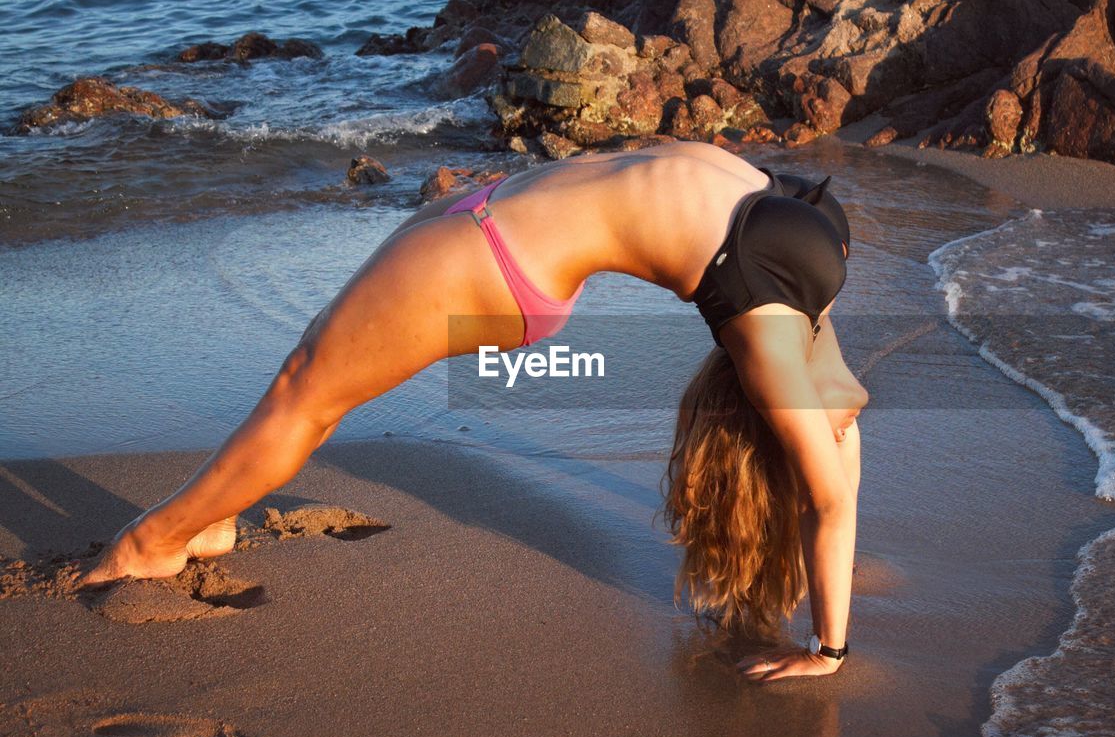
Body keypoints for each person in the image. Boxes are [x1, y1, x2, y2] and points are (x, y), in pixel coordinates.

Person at [79, 141, 868, 683]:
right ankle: (209, 515)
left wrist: (831, 649)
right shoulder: (782, 344)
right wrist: (828, 607)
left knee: (306, 392)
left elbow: (831, 474)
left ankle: (152, 542)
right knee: (311, 375)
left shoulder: (808, 245)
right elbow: (837, 448)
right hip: (494, 226)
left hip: (497, 239)